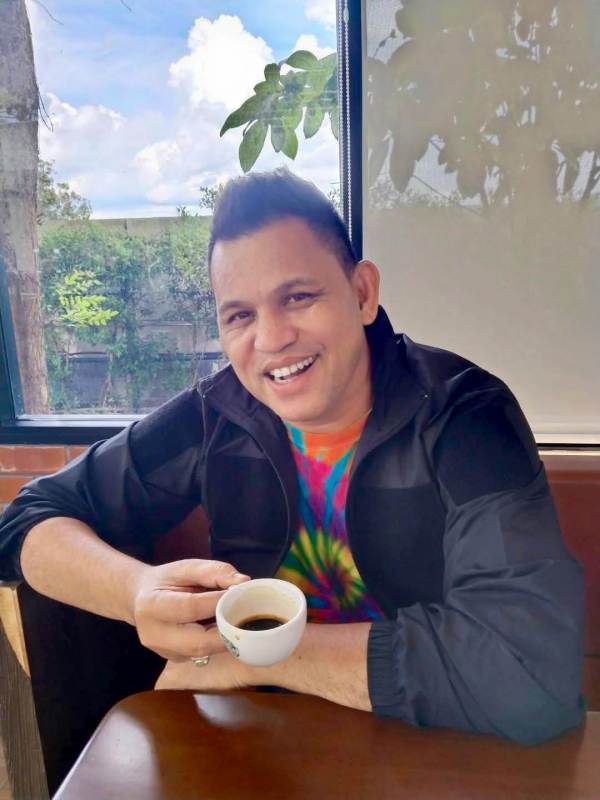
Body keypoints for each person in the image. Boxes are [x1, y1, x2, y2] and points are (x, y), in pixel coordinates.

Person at [0, 169, 584, 744]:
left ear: (362, 294)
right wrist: (135, 592)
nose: (272, 338)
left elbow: (530, 673)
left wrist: (256, 655)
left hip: (428, 745)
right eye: (240, 315)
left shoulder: (463, 415)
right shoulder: (215, 414)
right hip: (259, 742)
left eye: (298, 297)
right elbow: (27, 520)